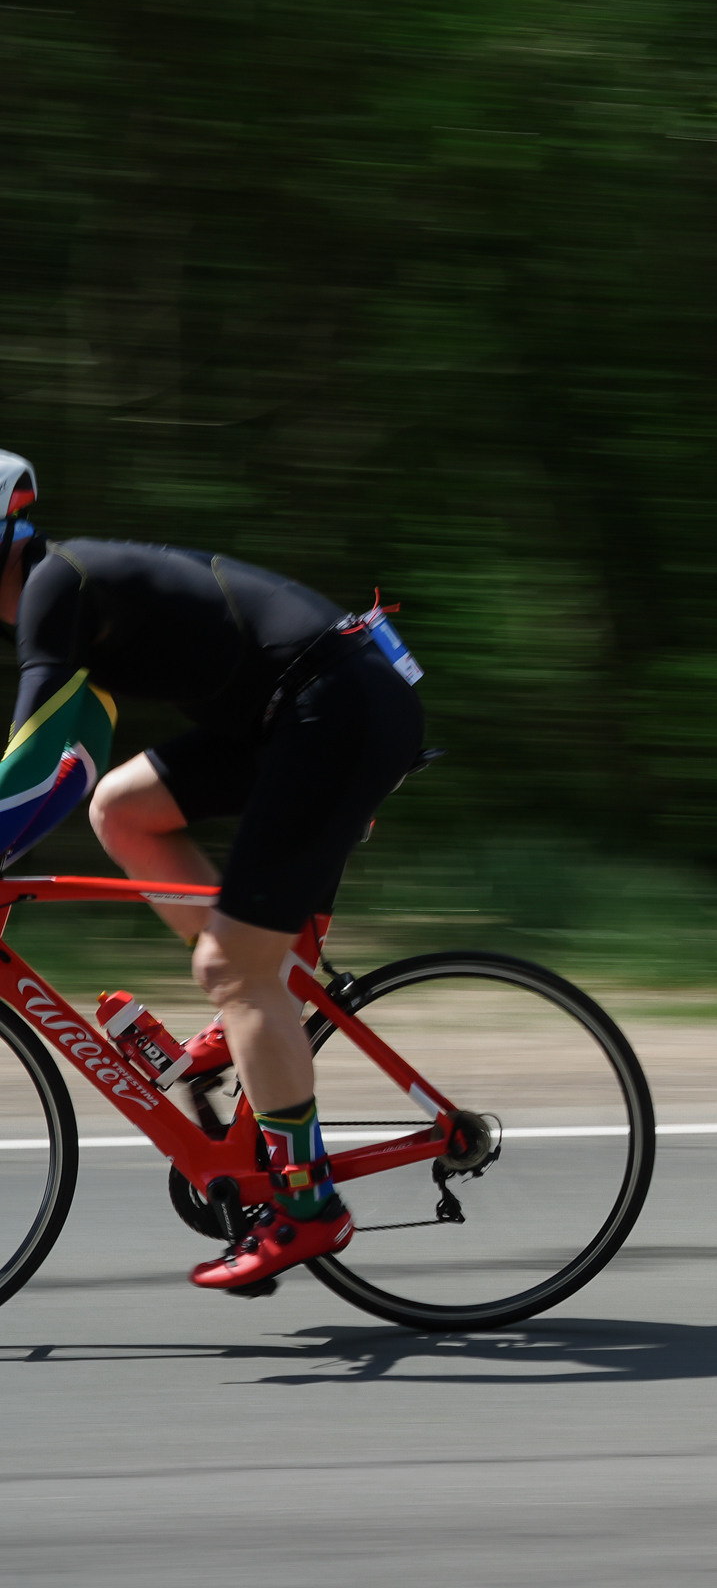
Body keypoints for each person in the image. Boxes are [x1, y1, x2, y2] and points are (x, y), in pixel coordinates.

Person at [0, 449, 425, 1292]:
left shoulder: (53, 586)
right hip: (308, 708)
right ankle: (250, 1010)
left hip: (333, 707)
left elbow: (36, 756)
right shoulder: (61, 593)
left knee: (234, 966)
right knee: (123, 810)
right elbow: (76, 762)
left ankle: (307, 1205)